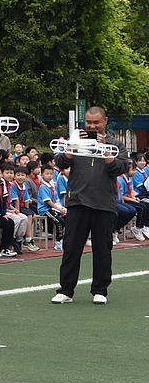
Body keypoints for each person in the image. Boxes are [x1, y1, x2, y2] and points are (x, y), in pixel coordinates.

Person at [53, 107, 127, 305]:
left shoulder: (115, 144)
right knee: (71, 247)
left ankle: (100, 290)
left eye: (96, 122)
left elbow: (121, 168)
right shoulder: (77, 140)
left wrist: (104, 150)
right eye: (88, 122)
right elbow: (60, 162)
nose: (92, 126)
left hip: (104, 203)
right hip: (77, 201)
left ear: (105, 121)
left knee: (103, 249)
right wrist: (72, 147)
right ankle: (66, 290)